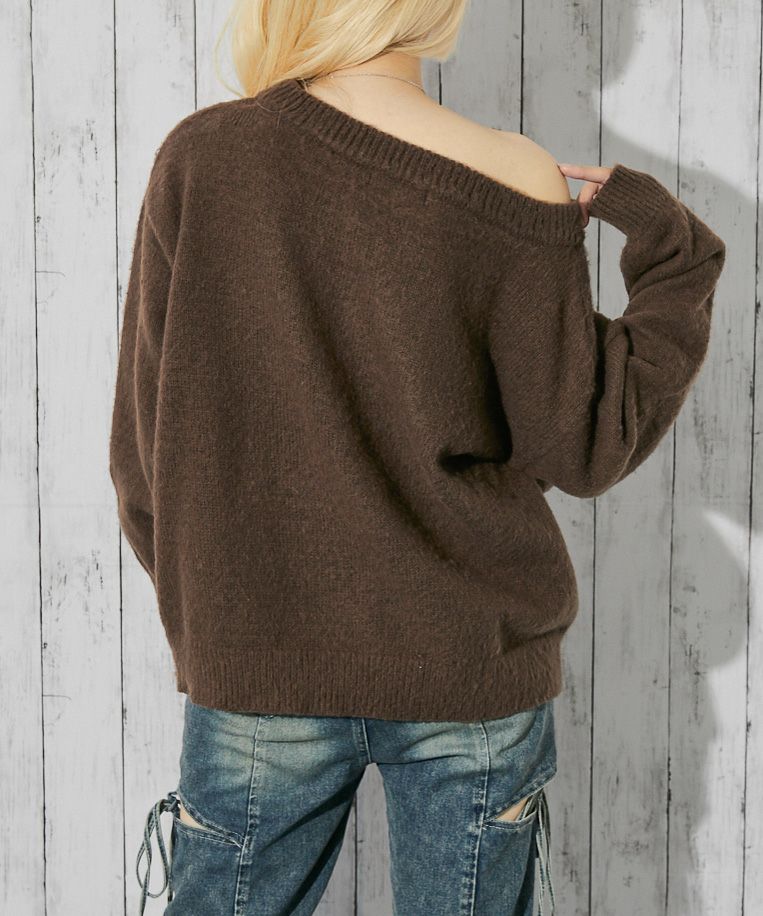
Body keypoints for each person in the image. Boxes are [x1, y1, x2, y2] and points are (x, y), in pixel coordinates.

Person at [110, 1, 727, 913]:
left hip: (257, 661)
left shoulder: (204, 158)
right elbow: (587, 444)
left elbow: (141, 457)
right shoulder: (513, 174)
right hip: (470, 665)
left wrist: (228, 620)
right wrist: (673, 249)